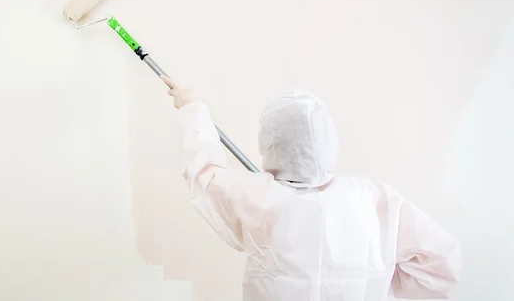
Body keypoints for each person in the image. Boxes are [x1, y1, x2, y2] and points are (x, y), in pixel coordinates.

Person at [162, 76, 461, 301]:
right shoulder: (376, 200)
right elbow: (441, 265)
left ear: (269, 144)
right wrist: (377, 277)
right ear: (329, 139)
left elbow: (204, 173)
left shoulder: (256, 198)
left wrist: (193, 108)